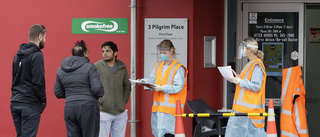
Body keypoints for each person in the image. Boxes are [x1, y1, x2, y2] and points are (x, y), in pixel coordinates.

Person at [54, 40, 104, 137]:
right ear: (85, 53)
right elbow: (97, 89)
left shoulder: (60, 69)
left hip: (70, 107)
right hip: (88, 106)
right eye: (88, 52)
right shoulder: (90, 67)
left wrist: (71, 94)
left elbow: (58, 92)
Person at [140, 39, 188, 137]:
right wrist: (145, 82)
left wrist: (162, 88)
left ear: (172, 50)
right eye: (161, 53)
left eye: (164, 53)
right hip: (158, 109)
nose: (162, 55)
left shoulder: (178, 67)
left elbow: (178, 87)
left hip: (171, 111)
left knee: (169, 134)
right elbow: (153, 80)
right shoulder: (158, 65)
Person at [11, 24, 47, 137]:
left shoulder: (17, 55)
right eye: (45, 37)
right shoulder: (37, 55)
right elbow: (38, 82)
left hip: (15, 102)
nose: (45, 41)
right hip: (30, 104)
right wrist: (43, 100)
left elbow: (14, 78)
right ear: (40, 37)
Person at [225, 37, 267, 137]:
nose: (242, 50)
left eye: (243, 48)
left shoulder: (256, 65)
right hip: (243, 111)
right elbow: (248, 81)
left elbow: (256, 86)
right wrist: (238, 78)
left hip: (249, 112)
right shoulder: (250, 64)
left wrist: (239, 81)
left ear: (250, 50)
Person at [94, 41, 131, 137]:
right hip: (103, 111)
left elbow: (127, 85)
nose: (104, 53)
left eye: (107, 51)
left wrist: (124, 100)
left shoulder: (122, 67)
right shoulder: (97, 66)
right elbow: (93, 86)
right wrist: (100, 101)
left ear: (115, 53)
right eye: (103, 51)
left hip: (120, 112)